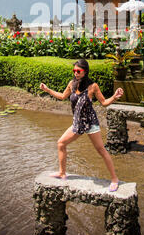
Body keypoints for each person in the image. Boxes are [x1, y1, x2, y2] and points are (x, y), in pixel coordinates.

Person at [40, 59, 124, 192]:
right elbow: (62, 96)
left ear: (85, 71)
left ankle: (115, 179)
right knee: (61, 143)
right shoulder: (72, 84)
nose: (75, 73)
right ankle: (62, 173)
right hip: (77, 123)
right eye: (74, 71)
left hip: (90, 123)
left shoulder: (93, 86)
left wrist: (114, 97)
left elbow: (103, 103)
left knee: (101, 150)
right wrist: (48, 90)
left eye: (78, 71)